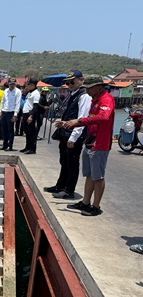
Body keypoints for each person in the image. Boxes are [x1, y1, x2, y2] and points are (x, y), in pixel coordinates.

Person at [60, 75, 115, 216]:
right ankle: (85, 202)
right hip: (90, 141)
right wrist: (71, 123)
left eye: (90, 88)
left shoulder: (106, 99)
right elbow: (90, 119)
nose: (87, 91)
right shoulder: (94, 100)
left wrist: (79, 121)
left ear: (98, 86)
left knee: (98, 176)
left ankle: (96, 206)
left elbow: (103, 117)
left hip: (100, 143)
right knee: (89, 174)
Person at [45, 70, 92, 200]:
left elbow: (82, 118)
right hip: (65, 133)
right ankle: (60, 185)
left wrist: (73, 138)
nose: (70, 85)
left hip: (74, 134)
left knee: (72, 163)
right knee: (64, 161)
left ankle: (69, 190)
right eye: (68, 83)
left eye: (72, 82)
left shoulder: (84, 96)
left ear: (81, 80)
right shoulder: (73, 94)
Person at [0, 78, 22, 151]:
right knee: (4, 129)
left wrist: (15, 114)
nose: (12, 85)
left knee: (10, 130)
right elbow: (3, 101)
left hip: (11, 112)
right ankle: (5, 145)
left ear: (15, 84)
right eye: (10, 84)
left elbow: (17, 103)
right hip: (4, 111)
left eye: (13, 84)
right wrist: (0, 112)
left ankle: (10, 145)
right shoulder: (6, 91)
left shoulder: (18, 92)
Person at [20, 79, 40, 154]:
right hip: (25, 113)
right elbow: (26, 104)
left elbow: (35, 106)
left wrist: (31, 116)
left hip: (30, 114)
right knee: (27, 132)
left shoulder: (36, 93)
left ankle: (32, 148)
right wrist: (23, 116)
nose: (27, 86)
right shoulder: (29, 93)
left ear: (32, 85)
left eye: (28, 84)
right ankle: (27, 147)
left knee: (31, 132)